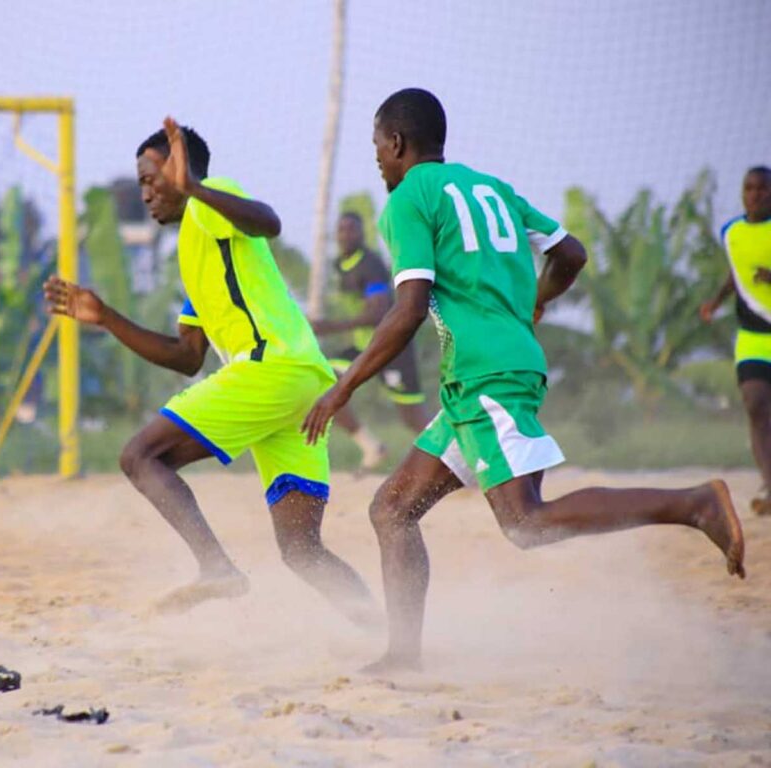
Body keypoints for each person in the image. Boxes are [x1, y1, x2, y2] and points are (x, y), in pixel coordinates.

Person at [302, 88, 746, 672]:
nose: (378, 161)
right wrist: (533, 303)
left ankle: (694, 504)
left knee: (525, 522)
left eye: (377, 148)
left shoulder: (409, 196)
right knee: (392, 509)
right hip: (482, 377)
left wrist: (343, 387)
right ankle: (404, 655)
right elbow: (573, 254)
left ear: (397, 143)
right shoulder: (494, 189)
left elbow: (407, 309)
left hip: (490, 377)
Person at [44, 117, 374, 619]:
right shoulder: (195, 246)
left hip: (274, 369)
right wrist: (107, 317)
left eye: (153, 177)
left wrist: (195, 187)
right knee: (302, 550)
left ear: (182, 170)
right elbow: (186, 356)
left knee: (140, 455)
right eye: (142, 184)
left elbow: (269, 221)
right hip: (303, 384)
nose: (148, 192)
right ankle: (384, 633)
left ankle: (216, 568)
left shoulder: (209, 201)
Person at [311, 212, 432, 471]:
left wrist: (330, 327)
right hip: (362, 347)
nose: (346, 234)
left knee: (411, 416)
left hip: (391, 346)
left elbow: (378, 313)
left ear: (362, 233)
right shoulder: (339, 265)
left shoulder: (371, 265)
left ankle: (456, 458)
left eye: (351, 229)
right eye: (341, 229)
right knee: (324, 381)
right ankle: (371, 448)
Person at [700, 166, 771, 516]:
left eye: (762, 188)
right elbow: (737, 272)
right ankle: (770, 486)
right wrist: (715, 300)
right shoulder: (731, 232)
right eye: (749, 188)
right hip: (754, 337)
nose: (755, 194)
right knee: (756, 405)